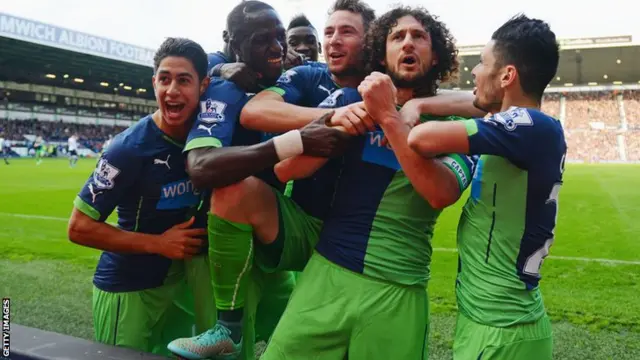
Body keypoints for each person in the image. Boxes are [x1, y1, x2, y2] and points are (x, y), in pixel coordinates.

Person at [261, 6, 477, 360]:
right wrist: (335, 130)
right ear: (381, 53)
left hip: (399, 289)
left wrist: (392, 117)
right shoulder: (350, 101)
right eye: (397, 37)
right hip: (328, 276)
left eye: (419, 36)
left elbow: (441, 193)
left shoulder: (455, 120)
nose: (408, 43)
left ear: (435, 53)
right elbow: (285, 170)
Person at [166, 2, 351, 359]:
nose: (278, 48)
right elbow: (201, 167)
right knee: (235, 350)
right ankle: (226, 330)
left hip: (267, 238)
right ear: (232, 43)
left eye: (279, 38)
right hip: (222, 246)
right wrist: (292, 143)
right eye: (261, 40)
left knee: (294, 339)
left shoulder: (288, 81)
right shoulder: (223, 89)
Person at [407, 14, 565, 360]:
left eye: (482, 63)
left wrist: (401, 115)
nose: (474, 73)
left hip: (503, 331)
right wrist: (420, 103)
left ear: (508, 75)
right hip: (494, 324)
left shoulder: (527, 125)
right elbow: (475, 102)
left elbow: (420, 138)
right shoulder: (524, 128)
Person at [67, 37, 210, 356]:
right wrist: (158, 244)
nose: (172, 90)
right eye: (164, 79)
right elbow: (78, 228)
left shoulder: (206, 139)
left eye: (184, 80)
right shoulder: (128, 149)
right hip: (129, 289)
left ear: (204, 86)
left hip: (177, 285)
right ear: (154, 83)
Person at [240, 0, 376, 136]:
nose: (333, 40)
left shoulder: (386, 84)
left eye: (346, 32)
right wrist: (332, 115)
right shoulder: (306, 75)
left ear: (370, 40)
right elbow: (252, 112)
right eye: (328, 33)